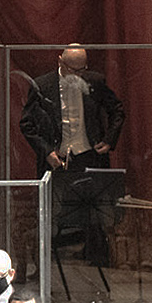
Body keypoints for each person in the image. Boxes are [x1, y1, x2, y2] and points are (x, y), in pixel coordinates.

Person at [21, 45, 126, 267]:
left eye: (82, 70)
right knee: (51, 212)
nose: (78, 75)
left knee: (94, 212)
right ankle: (45, 266)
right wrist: (47, 150)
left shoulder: (95, 81)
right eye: (72, 70)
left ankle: (98, 262)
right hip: (56, 159)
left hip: (89, 155)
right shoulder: (42, 85)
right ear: (60, 62)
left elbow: (117, 110)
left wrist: (109, 140)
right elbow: (27, 124)